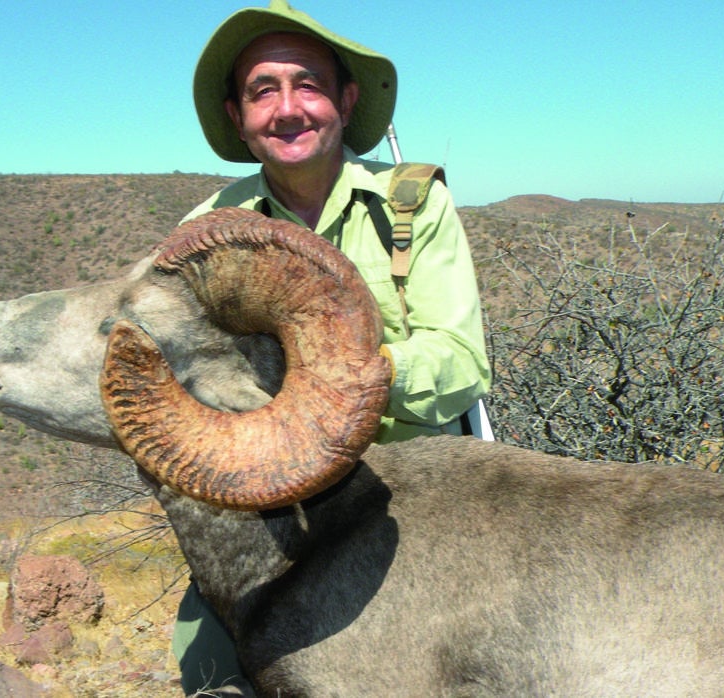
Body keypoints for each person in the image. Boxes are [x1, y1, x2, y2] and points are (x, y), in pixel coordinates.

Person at [172, 1, 490, 693]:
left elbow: (461, 362)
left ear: (345, 101)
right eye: (263, 91)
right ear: (237, 115)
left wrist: (349, 377)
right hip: (277, 500)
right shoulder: (211, 229)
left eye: (307, 84)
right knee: (208, 664)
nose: (288, 108)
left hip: (419, 488)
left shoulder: (414, 206)